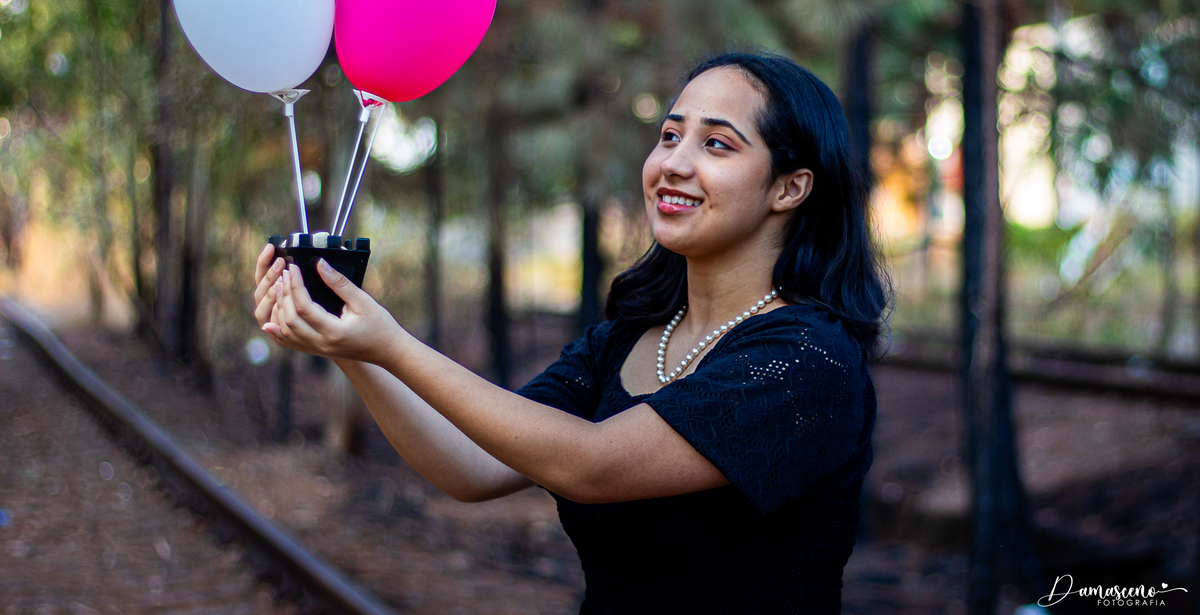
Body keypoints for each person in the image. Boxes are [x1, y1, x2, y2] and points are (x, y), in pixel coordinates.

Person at [253, 50, 891, 614]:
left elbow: (591, 465)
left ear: (790, 188)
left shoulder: (806, 360)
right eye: (670, 135)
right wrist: (350, 345)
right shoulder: (623, 342)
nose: (674, 163)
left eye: (717, 144)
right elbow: (472, 466)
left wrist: (391, 344)